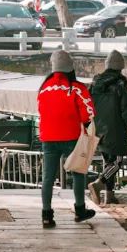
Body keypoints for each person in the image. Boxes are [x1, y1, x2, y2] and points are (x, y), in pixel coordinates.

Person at [38, 49, 97, 228]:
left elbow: (41, 110)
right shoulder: (77, 88)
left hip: (47, 138)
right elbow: (89, 113)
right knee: (78, 172)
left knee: (47, 178)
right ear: (70, 68)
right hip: (71, 137)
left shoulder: (44, 88)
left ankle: (46, 215)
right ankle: (80, 210)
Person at [88, 50, 127, 205]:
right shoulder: (121, 86)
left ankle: (109, 195)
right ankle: (99, 184)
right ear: (121, 68)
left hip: (99, 130)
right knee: (117, 162)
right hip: (116, 130)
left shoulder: (94, 85)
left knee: (108, 162)